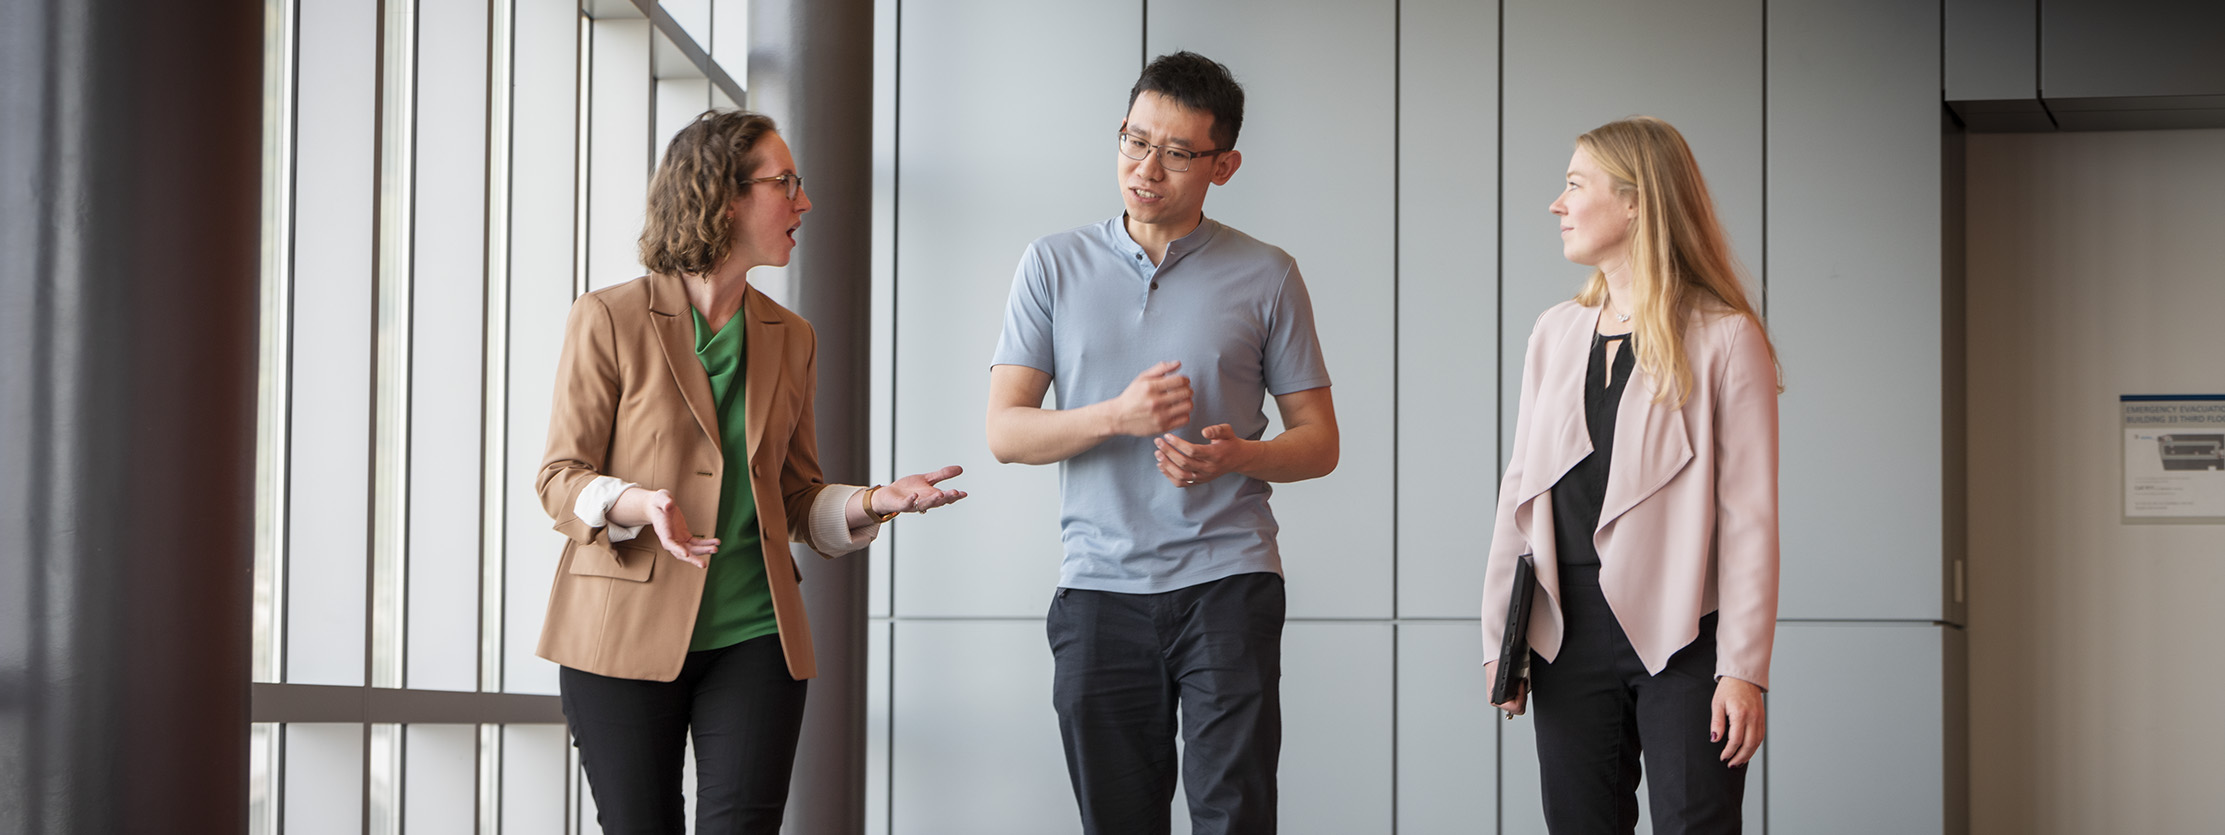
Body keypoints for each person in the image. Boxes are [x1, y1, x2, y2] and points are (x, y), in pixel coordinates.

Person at [535, 110, 966, 834]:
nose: (803, 201)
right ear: (723, 195)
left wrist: (876, 500)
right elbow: (559, 478)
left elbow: (795, 496)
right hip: (618, 634)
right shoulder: (607, 318)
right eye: (785, 183)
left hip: (755, 637)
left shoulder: (790, 336)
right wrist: (640, 502)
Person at [985, 51, 1339, 835]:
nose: (1146, 168)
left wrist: (1237, 455)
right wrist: (1115, 415)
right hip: (1097, 588)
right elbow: (1005, 430)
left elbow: (1318, 443)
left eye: (1176, 153)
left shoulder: (1268, 274)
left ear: (1224, 164)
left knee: (1234, 814)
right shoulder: (1051, 263)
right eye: (1133, 140)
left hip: (1229, 580)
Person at [1481, 115, 1782, 834]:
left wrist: (1742, 667)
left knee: (1695, 823)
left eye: (1574, 184)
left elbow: (1749, 519)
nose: (1557, 203)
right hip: (1565, 626)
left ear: (1636, 201)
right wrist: (1503, 637)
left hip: (1684, 626)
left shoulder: (1725, 336)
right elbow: (1520, 493)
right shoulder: (1553, 332)